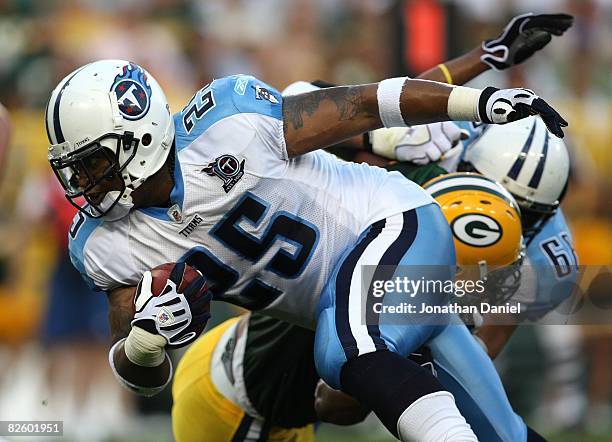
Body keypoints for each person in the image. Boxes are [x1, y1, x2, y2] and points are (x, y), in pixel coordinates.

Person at [45, 13, 570, 441]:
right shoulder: (105, 243)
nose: (82, 181)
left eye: (92, 162)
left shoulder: (230, 124)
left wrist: (480, 94)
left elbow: (369, 106)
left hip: (386, 234)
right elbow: (370, 104)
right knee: (501, 432)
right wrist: (144, 342)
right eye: (76, 166)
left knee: (349, 348)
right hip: (265, 370)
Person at [171, 172, 524, 442]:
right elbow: (335, 404)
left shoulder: (389, 229)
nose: (494, 288)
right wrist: (397, 375)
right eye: (489, 272)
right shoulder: (397, 295)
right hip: (236, 409)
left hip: (227, 355)